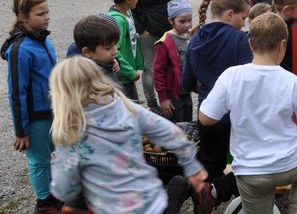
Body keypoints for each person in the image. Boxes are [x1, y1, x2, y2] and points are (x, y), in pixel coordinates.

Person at [198, 13, 297, 214]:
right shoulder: (291, 81)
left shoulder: (231, 76)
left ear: (250, 44)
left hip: (250, 172)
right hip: (289, 165)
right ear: (282, 45)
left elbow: (205, 118)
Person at [49, 57, 207, 214]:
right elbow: (170, 131)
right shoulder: (125, 106)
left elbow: (64, 188)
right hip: (150, 199)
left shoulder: (72, 134)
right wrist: (191, 166)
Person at [182, 0, 252, 203]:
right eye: (243, 18)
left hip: (207, 112)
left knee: (210, 161)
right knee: (246, 161)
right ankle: (240, 199)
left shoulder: (194, 39)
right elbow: (249, 76)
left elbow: (185, 82)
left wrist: (200, 86)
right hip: (235, 114)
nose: (244, 23)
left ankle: (193, 191)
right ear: (230, 14)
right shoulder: (240, 39)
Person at [1, 0, 62, 214]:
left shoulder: (45, 39)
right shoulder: (21, 49)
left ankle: (53, 192)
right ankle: (43, 203)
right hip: (35, 115)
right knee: (38, 159)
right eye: (40, 14)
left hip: (52, 110)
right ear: (23, 17)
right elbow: (17, 93)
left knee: (52, 152)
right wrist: (21, 131)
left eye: (47, 12)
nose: (47, 17)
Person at [131, 0, 184, 113]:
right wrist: (141, 29)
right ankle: (152, 104)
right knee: (150, 69)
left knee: (173, 65)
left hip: (170, 31)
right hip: (149, 32)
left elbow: (180, 0)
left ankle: (171, 98)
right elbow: (132, 7)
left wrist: (180, 24)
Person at [153, 0, 193, 122]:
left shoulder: (189, 37)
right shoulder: (165, 43)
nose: (187, 25)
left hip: (186, 92)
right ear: (171, 20)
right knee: (176, 128)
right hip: (172, 96)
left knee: (188, 126)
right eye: (182, 21)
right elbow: (158, 71)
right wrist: (163, 98)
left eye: (190, 20)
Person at [107, 0, 144, 102]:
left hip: (127, 75)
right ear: (128, 0)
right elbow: (114, 50)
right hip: (122, 78)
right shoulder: (118, 20)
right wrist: (130, 73)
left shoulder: (128, 13)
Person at [72, 14, 121, 87]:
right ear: (87, 52)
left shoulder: (107, 63)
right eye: (108, 48)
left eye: (115, 45)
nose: (115, 51)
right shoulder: (92, 84)